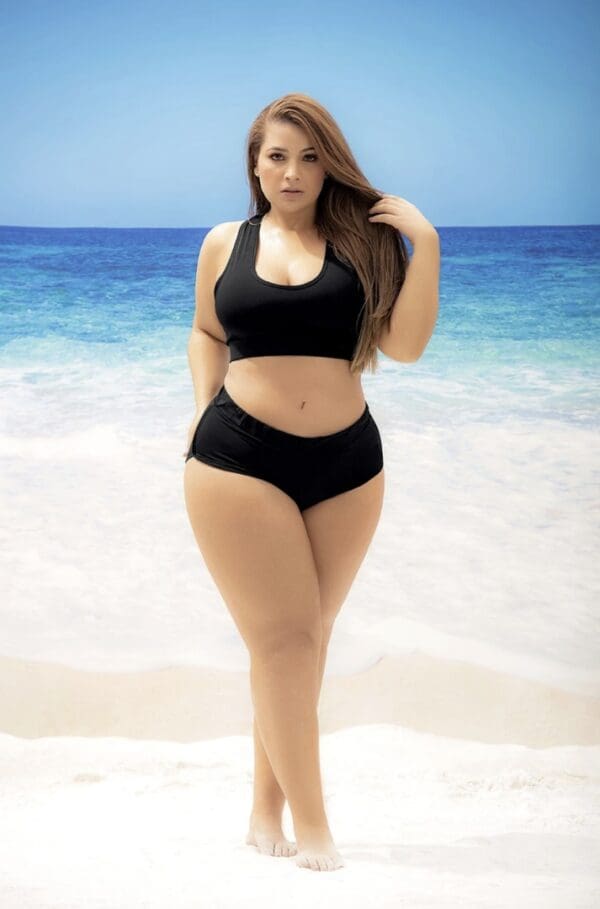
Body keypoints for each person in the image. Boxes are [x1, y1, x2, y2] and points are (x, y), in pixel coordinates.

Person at [182, 92, 440, 872]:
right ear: (255, 165)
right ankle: (315, 829)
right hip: (238, 460)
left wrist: (423, 246)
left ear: (330, 164)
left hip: (348, 465)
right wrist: (203, 415)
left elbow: (404, 346)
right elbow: (206, 331)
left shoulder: (362, 245)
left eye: (309, 156)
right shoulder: (225, 242)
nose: (291, 172)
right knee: (286, 638)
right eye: (276, 156)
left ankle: (265, 809)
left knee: (302, 641)